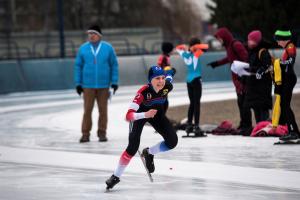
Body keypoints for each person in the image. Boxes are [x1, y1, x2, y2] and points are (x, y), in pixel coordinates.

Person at [105, 66, 177, 190]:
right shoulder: (143, 92)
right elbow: (128, 116)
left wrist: (171, 70)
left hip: (156, 115)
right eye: (157, 79)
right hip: (139, 117)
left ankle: (149, 153)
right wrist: (145, 114)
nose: (161, 81)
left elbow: (170, 74)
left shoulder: (167, 85)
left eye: (162, 78)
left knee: (172, 142)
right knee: (132, 148)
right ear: (150, 80)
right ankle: (115, 176)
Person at [74, 25, 119, 143]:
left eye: (93, 33)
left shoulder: (107, 48)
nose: (91, 36)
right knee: (87, 110)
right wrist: (78, 83)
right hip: (87, 86)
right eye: (89, 34)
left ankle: (102, 133)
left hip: (104, 86)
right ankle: (85, 134)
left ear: (99, 35)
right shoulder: (83, 48)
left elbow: (114, 65)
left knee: (103, 111)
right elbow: (78, 66)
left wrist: (114, 82)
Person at [207, 27, 252, 135]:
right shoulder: (228, 46)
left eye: (219, 38)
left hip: (242, 77)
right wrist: (216, 63)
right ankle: (243, 124)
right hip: (236, 79)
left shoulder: (235, 44)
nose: (219, 41)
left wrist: (243, 73)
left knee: (244, 103)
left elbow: (246, 58)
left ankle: (247, 125)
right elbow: (229, 58)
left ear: (224, 37)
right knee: (240, 102)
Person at [176, 38, 208, 136]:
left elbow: (177, 48)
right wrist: (195, 47)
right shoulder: (196, 54)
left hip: (189, 80)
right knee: (197, 103)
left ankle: (189, 125)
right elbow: (206, 47)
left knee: (192, 103)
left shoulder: (185, 54)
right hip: (196, 80)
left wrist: (188, 47)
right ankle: (196, 126)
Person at [273, 29, 300, 141]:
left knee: (285, 105)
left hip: (289, 78)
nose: (278, 43)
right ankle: (292, 131)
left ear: (284, 40)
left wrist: (280, 62)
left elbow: (291, 61)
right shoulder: (287, 48)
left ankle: (293, 132)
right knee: (284, 106)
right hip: (287, 78)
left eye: (278, 40)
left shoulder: (290, 46)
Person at [244, 30, 273, 124]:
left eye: (251, 40)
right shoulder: (251, 52)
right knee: (256, 111)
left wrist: (253, 69)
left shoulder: (263, 52)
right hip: (253, 88)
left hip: (262, 88)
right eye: (248, 40)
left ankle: (265, 131)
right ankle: (259, 131)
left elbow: (267, 66)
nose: (248, 42)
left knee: (263, 112)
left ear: (256, 41)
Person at [157, 42, 175, 113]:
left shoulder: (164, 56)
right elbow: (164, 69)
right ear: (169, 50)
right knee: (164, 101)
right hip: (162, 82)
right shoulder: (165, 58)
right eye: (172, 49)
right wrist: (171, 71)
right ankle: (161, 118)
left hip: (161, 81)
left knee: (164, 100)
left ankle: (162, 117)